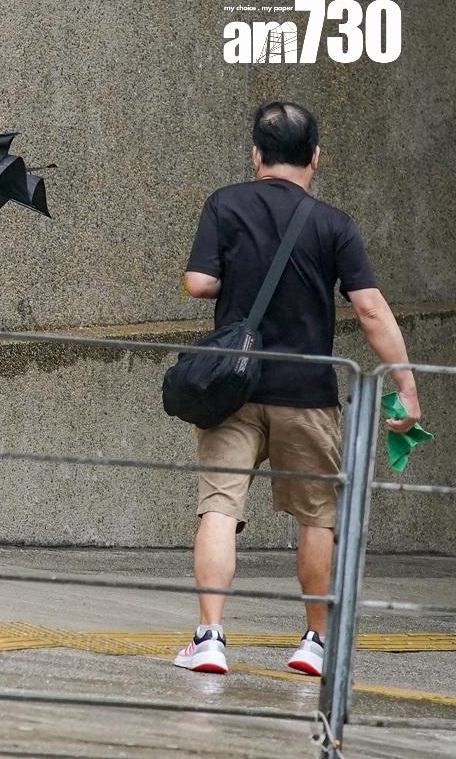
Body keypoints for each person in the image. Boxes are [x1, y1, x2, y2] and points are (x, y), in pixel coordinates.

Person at [175, 101, 421, 676]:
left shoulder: (225, 204)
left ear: (256, 154)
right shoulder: (334, 224)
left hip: (233, 388)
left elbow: (198, 283)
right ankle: (313, 641)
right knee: (316, 518)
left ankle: (209, 637)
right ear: (315, 157)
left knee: (218, 506)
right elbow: (370, 310)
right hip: (308, 392)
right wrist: (406, 390)